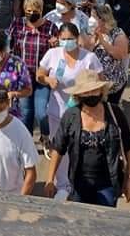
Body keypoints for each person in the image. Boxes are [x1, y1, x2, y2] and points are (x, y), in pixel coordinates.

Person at [45, 70, 130, 207]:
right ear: (78, 95)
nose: (90, 94)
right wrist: (50, 179)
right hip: (79, 184)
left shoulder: (115, 113)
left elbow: (129, 147)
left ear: (101, 90)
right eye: (85, 92)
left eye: (94, 90)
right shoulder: (70, 116)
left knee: (105, 216)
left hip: (108, 182)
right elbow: (58, 148)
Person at [36, 22, 103, 193]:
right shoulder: (52, 54)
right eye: (63, 39)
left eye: (70, 39)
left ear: (77, 38)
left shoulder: (89, 58)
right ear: (58, 38)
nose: (67, 42)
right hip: (56, 112)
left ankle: (81, 183)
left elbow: (100, 83)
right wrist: (48, 80)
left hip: (82, 114)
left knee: (80, 149)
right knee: (59, 150)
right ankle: (62, 185)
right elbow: (39, 74)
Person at [7, 0, 59, 138]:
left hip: (42, 78)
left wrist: (56, 44)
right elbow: (9, 49)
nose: (31, 14)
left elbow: (58, 54)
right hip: (24, 78)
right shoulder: (17, 25)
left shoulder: (50, 28)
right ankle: (27, 141)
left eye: (35, 11)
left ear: (41, 10)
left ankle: (46, 137)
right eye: (28, 11)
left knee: (41, 113)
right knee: (25, 113)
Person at [86, 4, 130, 106]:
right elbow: (87, 54)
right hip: (96, 83)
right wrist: (93, 41)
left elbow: (119, 55)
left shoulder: (117, 34)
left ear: (103, 19)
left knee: (111, 109)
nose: (91, 20)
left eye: (94, 17)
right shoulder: (92, 33)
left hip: (113, 84)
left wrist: (102, 41)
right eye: (90, 16)